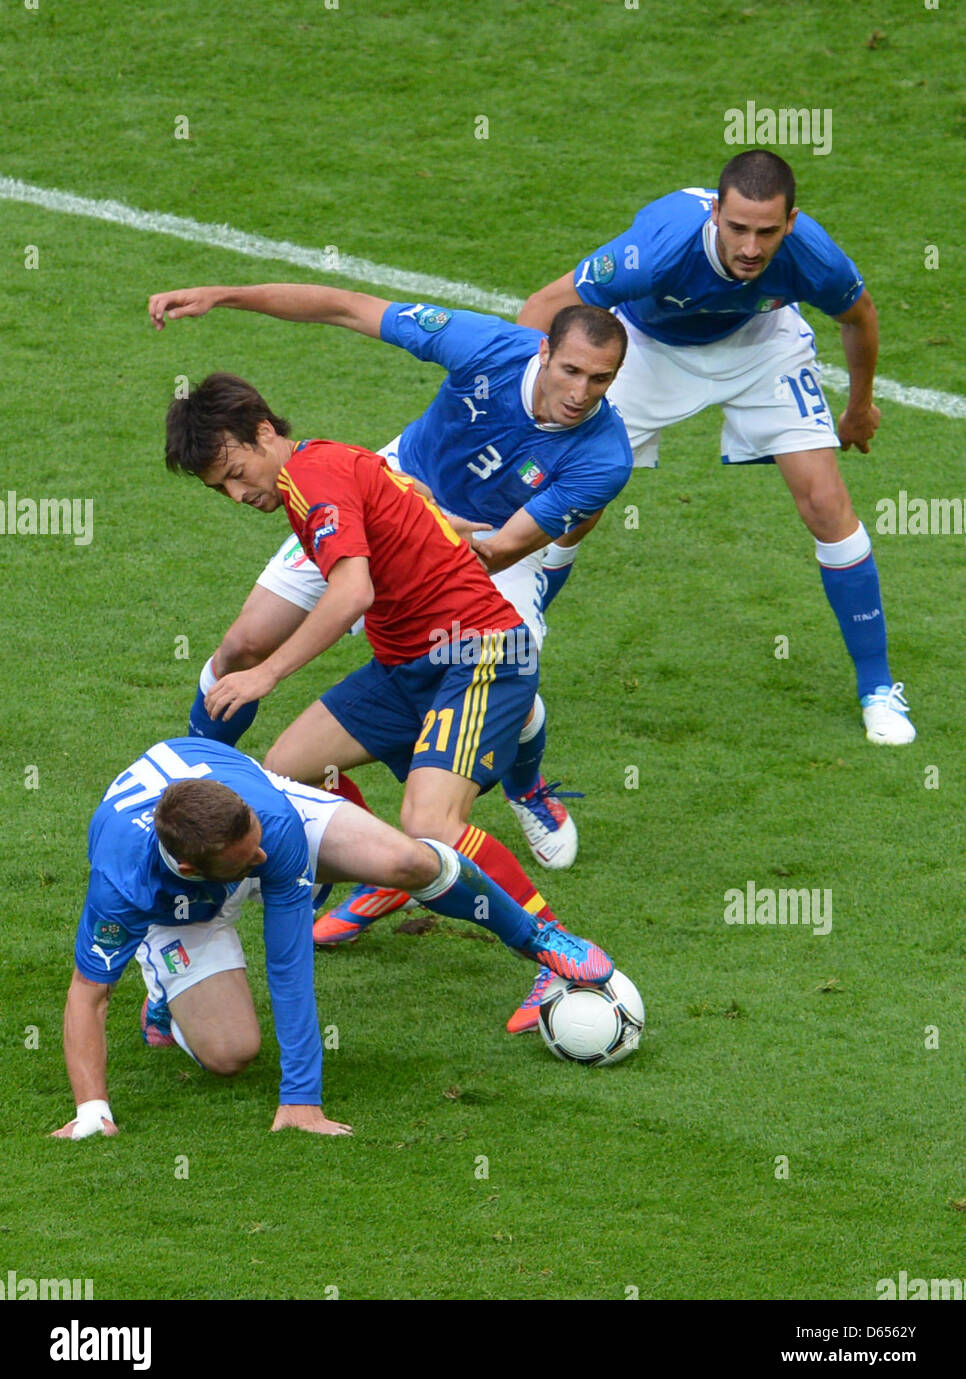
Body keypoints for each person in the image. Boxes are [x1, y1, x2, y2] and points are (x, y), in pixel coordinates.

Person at [162, 375, 615, 1032]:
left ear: (263, 432)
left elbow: (351, 596)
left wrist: (267, 676)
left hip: (478, 651)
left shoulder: (310, 478)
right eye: (220, 489)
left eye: (235, 473)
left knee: (432, 825)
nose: (237, 495)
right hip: (407, 666)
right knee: (287, 771)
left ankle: (554, 949)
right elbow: (413, 494)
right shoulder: (319, 465)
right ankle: (385, 867)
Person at [148, 283, 633, 890]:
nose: (580, 393)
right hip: (391, 485)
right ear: (542, 350)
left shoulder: (605, 458)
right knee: (245, 645)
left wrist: (409, 528)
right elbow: (348, 308)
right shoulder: (486, 347)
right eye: (570, 371)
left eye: (601, 380)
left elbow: (498, 548)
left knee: (494, 668)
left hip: (490, 543)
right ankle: (191, 781)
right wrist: (225, 296)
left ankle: (523, 778)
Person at [517, 148, 915, 747]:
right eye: (737, 229)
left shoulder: (812, 255)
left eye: (767, 231)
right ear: (714, 215)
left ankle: (879, 688)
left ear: (792, 220)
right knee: (575, 507)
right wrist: (525, 415)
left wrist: (859, 407)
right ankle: (507, 639)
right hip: (647, 347)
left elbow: (859, 316)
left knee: (826, 504)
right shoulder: (657, 250)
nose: (751, 247)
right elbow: (544, 309)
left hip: (761, 344)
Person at [52, 738, 614, 1142]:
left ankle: (537, 936)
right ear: (195, 868)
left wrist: (301, 1096)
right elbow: (89, 994)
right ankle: (167, 998)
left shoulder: (269, 825)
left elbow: (290, 963)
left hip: (265, 818)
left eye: (257, 844)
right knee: (231, 1056)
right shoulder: (123, 885)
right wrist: (91, 1109)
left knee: (406, 858)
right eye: (250, 860)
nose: (263, 859)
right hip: (180, 911)